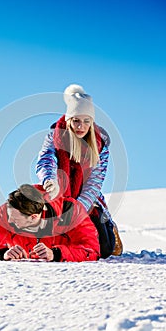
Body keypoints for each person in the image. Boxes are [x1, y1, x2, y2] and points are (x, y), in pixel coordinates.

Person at [36, 84, 123, 258]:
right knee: (56, 241)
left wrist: (76, 210)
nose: (80, 126)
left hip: (87, 202)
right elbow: (46, 159)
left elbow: (95, 182)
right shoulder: (54, 138)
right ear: (69, 121)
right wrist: (49, 180)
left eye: (86, 121)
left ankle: (110, 228)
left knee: (103, 248)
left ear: (91, 123)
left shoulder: (100, 147)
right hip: (58, 198)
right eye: (76, 120)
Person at [0, 184, 100, 262]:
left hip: (88, 229)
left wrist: (56, 254)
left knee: (106, 246)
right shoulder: (7, 212)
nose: (9, 221)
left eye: (15, 220)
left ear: (33, 217)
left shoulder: (71, 211)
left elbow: (92, 250)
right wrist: (0, 253)